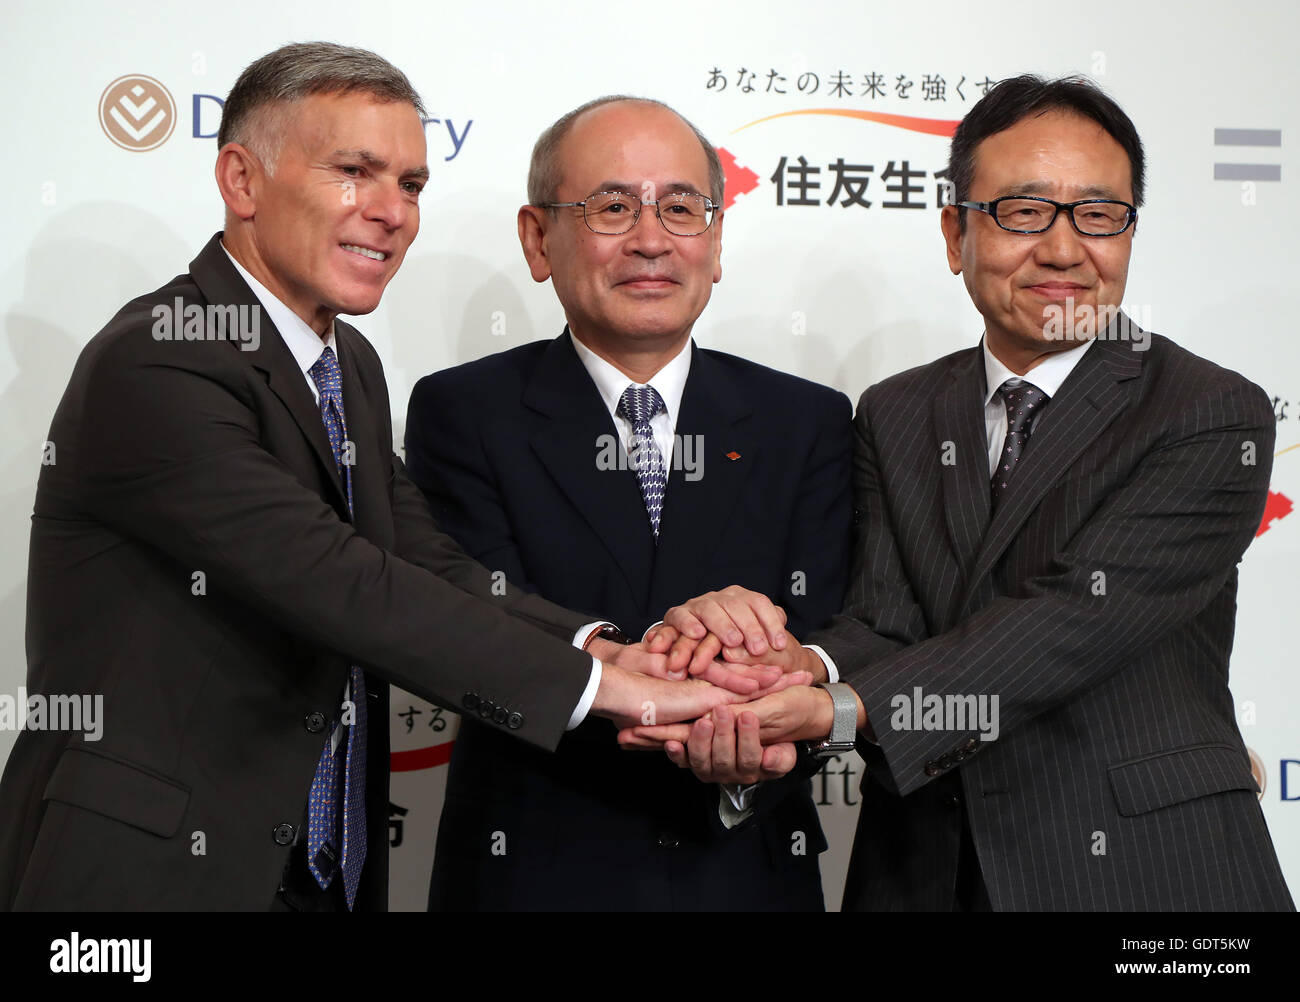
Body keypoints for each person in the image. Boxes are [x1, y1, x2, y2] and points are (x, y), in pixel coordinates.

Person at [0, 44, 756, 912]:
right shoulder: (161, 356)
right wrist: (623, 696)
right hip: (152, 876)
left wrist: (604, 647)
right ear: (242, 181)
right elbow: (345, 585)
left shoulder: (346, 362)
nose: (391, 212)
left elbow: (429, 564)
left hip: (323, 874)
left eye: (411, 184)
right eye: (355, 173)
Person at [632, 75, 1295, 911]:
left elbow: (1070, 624)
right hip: (926, 868)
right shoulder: (897, 410)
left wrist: (834, 708)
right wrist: (792, 664)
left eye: (1099, 215)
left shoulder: (1208, 410)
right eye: (1023, 212)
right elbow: (886, 618)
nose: (1063, 249)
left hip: (1145, 871)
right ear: (955, 233)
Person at [405, 96, 851, 910]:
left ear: (715, 244)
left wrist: (759, 716)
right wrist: (678, 663)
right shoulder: (463, 412)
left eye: (682, 208)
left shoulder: (808, 420)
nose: (652, 239)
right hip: (532, 872)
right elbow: (476, 621)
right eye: (612, 207)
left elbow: (821, 636)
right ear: (539, 239)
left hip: (747, 868)